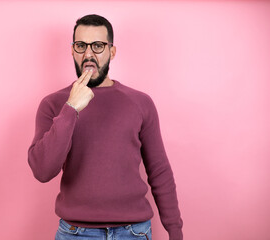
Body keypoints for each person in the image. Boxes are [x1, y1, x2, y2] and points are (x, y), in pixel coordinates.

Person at [28, 14, 183, 240]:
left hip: (134, 232)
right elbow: (42, 170)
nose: (88, 54)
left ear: (111, 51)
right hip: (76, 233)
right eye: (81, 46)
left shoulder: (140, 102)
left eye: (98, 46)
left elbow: (159, 172)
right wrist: (71, 108)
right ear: (72, 51)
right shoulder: (53, 104)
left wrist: (175, 231)